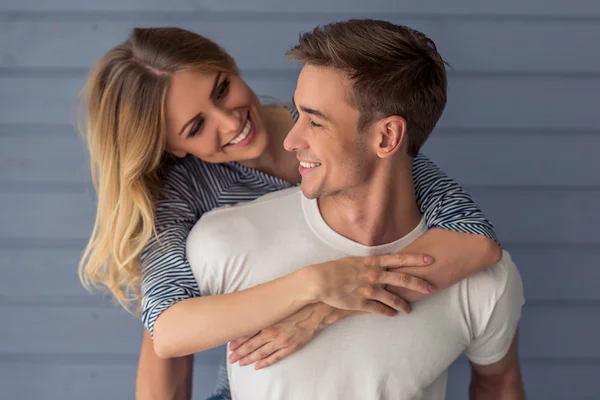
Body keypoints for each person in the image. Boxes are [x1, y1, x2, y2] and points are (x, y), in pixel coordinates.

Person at [78, 26, 502, 400]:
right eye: (195, 127)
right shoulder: (185, 194)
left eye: (222, 89)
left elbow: (473, 240)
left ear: (229, 64)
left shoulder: (338, 126)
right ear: (171, 146)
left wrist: (324, 310)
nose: (230, 122)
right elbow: (167, 332)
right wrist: (314, 284)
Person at [186, 19, 525, 400]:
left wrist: (321, 312)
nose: (291, 139)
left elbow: (499, 384)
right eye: (298, 114)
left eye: (315, 121)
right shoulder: (224, 241)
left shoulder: (483, 282)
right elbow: (166, 337)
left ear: (386, 137)